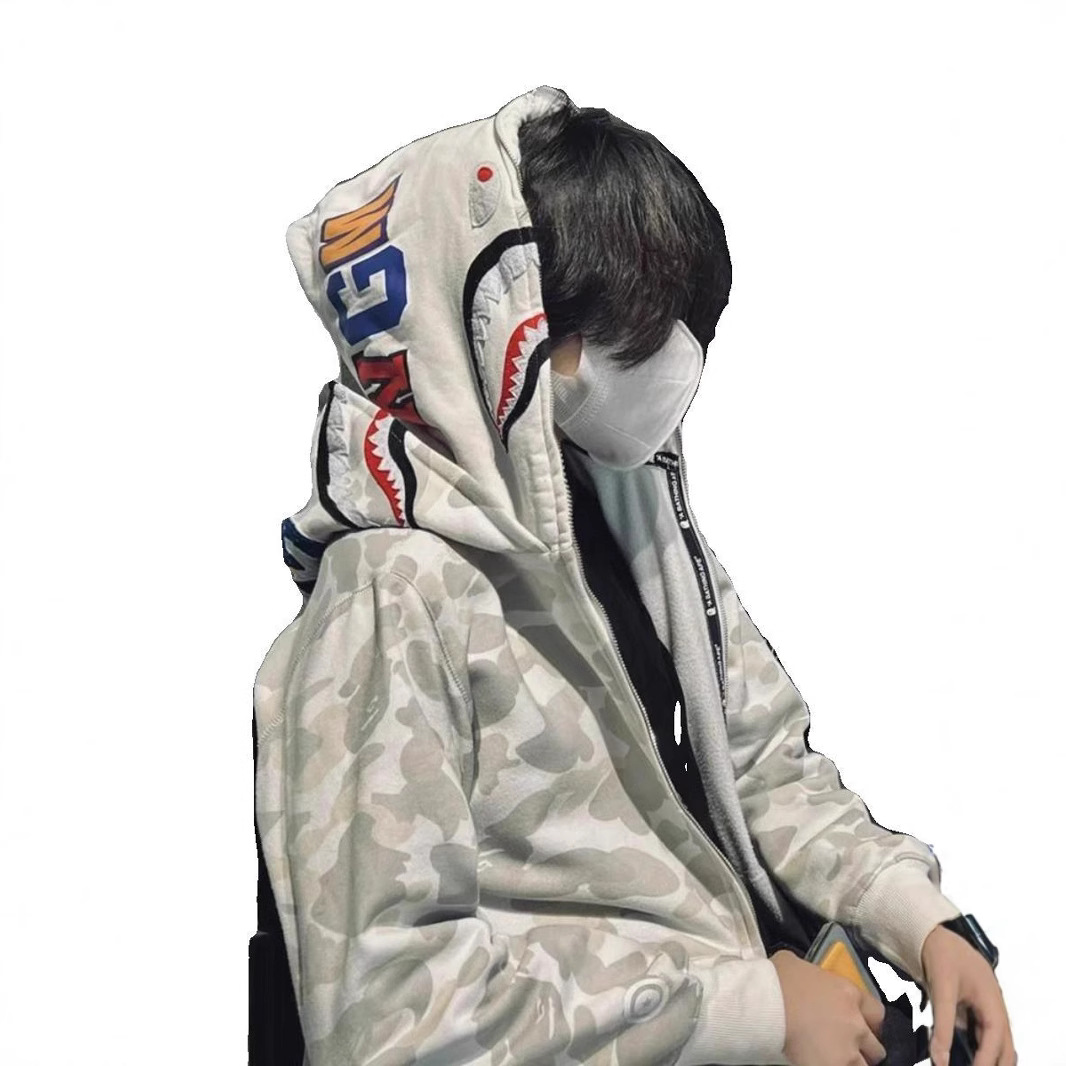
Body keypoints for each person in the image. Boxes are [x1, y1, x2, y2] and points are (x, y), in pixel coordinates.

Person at [253, 85, 1015, 1066]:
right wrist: (750, 1013)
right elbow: (394, 1025)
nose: (677, 368)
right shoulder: (390, 600)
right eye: (644, 335)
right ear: (516, 325)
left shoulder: (623, 508)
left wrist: (920, 919)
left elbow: (759, 763)